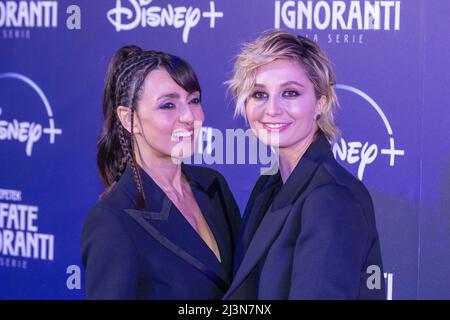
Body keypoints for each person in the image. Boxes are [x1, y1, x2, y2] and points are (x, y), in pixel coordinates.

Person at [224, 30, 385, 299]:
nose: (272, 109)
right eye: (259, 94)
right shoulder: (269, 187)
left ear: (320, 102)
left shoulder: (330, 198)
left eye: (290, 93)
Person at [81, 45, 241, 299]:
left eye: (194, 100)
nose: (189, 116)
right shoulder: (113, 220)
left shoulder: (213, 185)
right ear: (128, 118)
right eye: (168, 105)